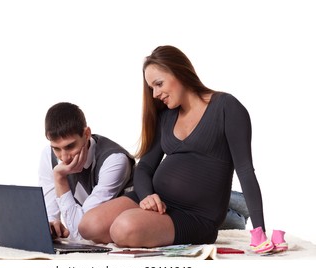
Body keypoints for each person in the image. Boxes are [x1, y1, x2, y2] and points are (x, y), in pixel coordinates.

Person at [79, 45, 282, 253]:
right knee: (88, 225)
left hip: (195, 216)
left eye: (158, 84)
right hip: (158, 202)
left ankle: (234, 217)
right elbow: (145, 167)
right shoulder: (167, 116)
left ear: (179, 71)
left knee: (123, 229)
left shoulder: (226, 108)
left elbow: (246, 171)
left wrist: (260, 232)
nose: (155, 94)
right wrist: (147, 195)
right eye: (152, 88)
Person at [38, 102, 135, 240]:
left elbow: (81, 232)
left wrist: (60, 179)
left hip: (126, 227)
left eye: (70, 146)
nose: (64, 157)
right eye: (56, 148)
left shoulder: (114, 160)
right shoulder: (48, 155)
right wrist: (52, 225)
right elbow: (49, 214)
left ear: (87, 134)